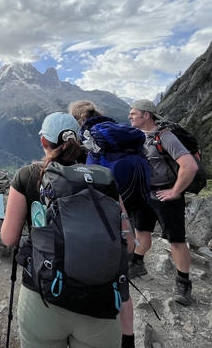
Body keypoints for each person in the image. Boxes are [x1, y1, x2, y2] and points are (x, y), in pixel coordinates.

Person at [1, 112, 134, 348]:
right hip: (100, 302)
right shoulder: (102, 179)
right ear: (78, 142)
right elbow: (130, 243)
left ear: (44, 142)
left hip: (44, 295)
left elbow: (9, 238)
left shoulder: (28, 175)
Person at [70, 101, 138, 348]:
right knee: (121, 280)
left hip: (98, 210)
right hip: (124, 199)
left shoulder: (83, 138)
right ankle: (128, 337)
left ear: (76, 118)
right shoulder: (114, 128)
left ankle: (89, 323)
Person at [128, 99, 198, 306]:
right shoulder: (138, 136)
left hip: (165, 196)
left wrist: (175, 191)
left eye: (133, 113)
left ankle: (183, 284)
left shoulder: (165, 137)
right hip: (144, 194)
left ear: (146, 115)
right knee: (141, 232)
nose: (130, 116)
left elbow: (190, 166)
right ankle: (138, 264)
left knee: (175, 241)